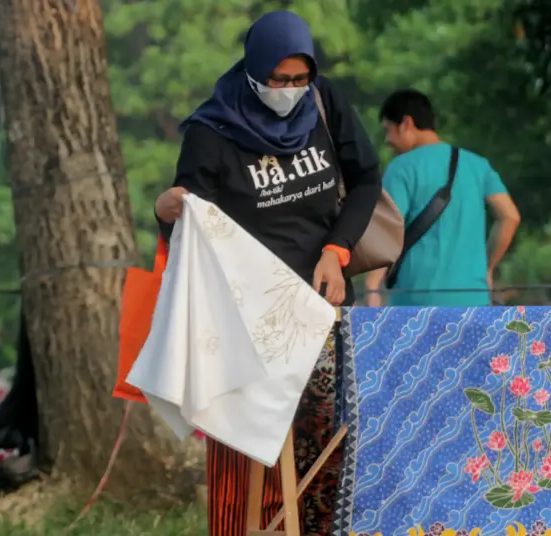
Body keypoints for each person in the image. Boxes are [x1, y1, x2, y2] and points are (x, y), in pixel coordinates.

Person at [153, 11, 382, 536]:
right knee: (249, 441)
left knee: (326, 430)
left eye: (300, 78)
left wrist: (337, 250)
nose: (290, 90)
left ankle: (322, 529)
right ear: (254, 69)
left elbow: (366, 179)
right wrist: (167, 212)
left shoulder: (325, 103)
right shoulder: (212, 132)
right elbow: (191, 229)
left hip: (320, 295)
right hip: (246, 314)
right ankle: (254, 528)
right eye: (278, 80)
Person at [365, 89, 520, 307]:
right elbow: (510, 217)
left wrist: (372, 286)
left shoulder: (401, 168)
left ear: (406, 124)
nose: (388, 140)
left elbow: (387, 229)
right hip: (474, 300)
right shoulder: (477, 165)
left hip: (416, 304)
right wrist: (487, 268)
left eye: (388, 130)